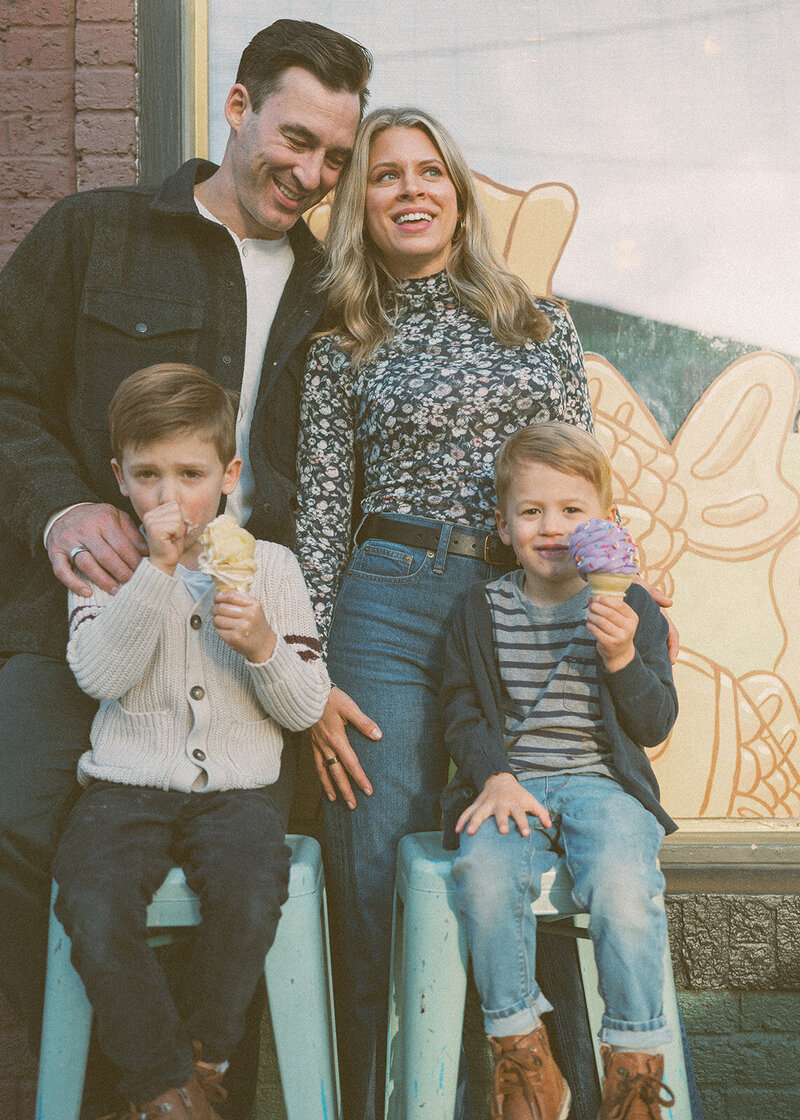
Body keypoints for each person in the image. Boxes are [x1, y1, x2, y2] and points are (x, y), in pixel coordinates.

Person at [0, 20, 373, 1096]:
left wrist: (312, 662)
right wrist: (62, 508)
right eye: (294, 138)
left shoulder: (331, 292)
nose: (308, 173)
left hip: (248, 632)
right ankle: (147, 1084)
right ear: (235, 108)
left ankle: (196, 1081)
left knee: (251, 877)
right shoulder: (96, 233)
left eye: (332, 161)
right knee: (18, 818)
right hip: (98, 605)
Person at [295, 107, 596, 1120]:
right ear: (360, 207)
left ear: (459, 195)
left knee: (513, 850)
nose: (411, 190)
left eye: (431, 172)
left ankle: (512, 1098)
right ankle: (379, 1103)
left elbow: (585, 479)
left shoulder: (539, 323)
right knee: (376, 864)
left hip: (522, 611)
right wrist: (307, 672)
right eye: (385, 177)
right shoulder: (342, 340)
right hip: (385, 604)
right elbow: (322, 513)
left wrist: (617, 600)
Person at [53, 362, 330, 1120]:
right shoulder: (107, 569)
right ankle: (162, 1085)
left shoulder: (272, 568)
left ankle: (204, 1059)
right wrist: (156, 574)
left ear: (229, 475)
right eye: (148, 475)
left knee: (250, 892)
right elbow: (100, 674)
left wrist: (265, 645)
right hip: (124, 786)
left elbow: (306, 707)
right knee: (90, 896)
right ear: (119, 478)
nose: (170, 497)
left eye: (190, 473)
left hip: (236, 792)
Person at [442, 421, 678, 1120]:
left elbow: (656, 724)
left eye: (573, 511)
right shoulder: (478, 610)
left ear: (608, 521)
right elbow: (462, 712)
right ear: (502, 522)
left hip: (605, 786)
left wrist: (622, 659)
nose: (552, 527)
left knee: (625, 885)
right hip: (514, 784)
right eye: (531, 511)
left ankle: (635, 1071)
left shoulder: (630, 608)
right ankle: (523, 1058)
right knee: (482, 875)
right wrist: (494, 776)